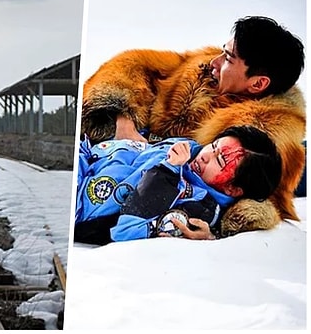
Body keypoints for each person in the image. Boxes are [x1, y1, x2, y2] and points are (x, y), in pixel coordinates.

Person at [79, 16, 305, 237]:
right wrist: (123, 119)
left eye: (228, 58)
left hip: (120, 202)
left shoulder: (267, 139)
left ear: (258, 83)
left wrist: (214, 231)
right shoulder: (200, 67)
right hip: (106, 156)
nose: (214, 62)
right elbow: (132, 65)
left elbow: (256, 206)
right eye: (223, 51)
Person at [74, 125, 282, 245]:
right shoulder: (190, 150)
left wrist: (168, 171)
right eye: (214, 146)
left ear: (232, 189)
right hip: (88, 154)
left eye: (219, 161)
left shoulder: (198, 207)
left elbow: (126, 230)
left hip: (80, 199)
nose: (206, 155)